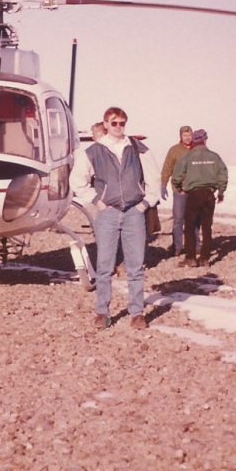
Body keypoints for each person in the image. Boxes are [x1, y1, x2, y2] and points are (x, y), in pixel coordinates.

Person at [70, 107, 160, 330]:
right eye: (115, 123)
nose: (119, 127)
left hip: (133, 213)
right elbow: (77, 181)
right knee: (104, 265)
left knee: (136, 266)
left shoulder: (139, 149)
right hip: (108, 214)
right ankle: (102, 312)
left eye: (122, 123)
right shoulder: (92, 152)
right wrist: (98, 201)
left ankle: (137, 313)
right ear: (106, 124)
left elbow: (154, 179)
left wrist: (144, 204)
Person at [171, 129, 228, 267]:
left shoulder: (187, 157)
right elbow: (223, 174)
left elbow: (177, 175)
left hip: (193, 195)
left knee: (189, 227)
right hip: (209, 195)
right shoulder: (215, 157)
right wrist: (221, 192)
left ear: (194, 141)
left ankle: (190, 258)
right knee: (207, 227)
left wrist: (178, 188)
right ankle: (205, 258)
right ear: (205, 140)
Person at [160, 125, 194, 256]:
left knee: (194, 220)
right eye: (185, 135)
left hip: (194, 190)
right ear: (180, 136)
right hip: (179, 190)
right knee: (178, 219)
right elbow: (167, 168)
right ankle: (177, 247)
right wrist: (163, 185)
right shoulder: (174, 150)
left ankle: (195, 245)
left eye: (189, 135)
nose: (187, 138)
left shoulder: (196, 150)